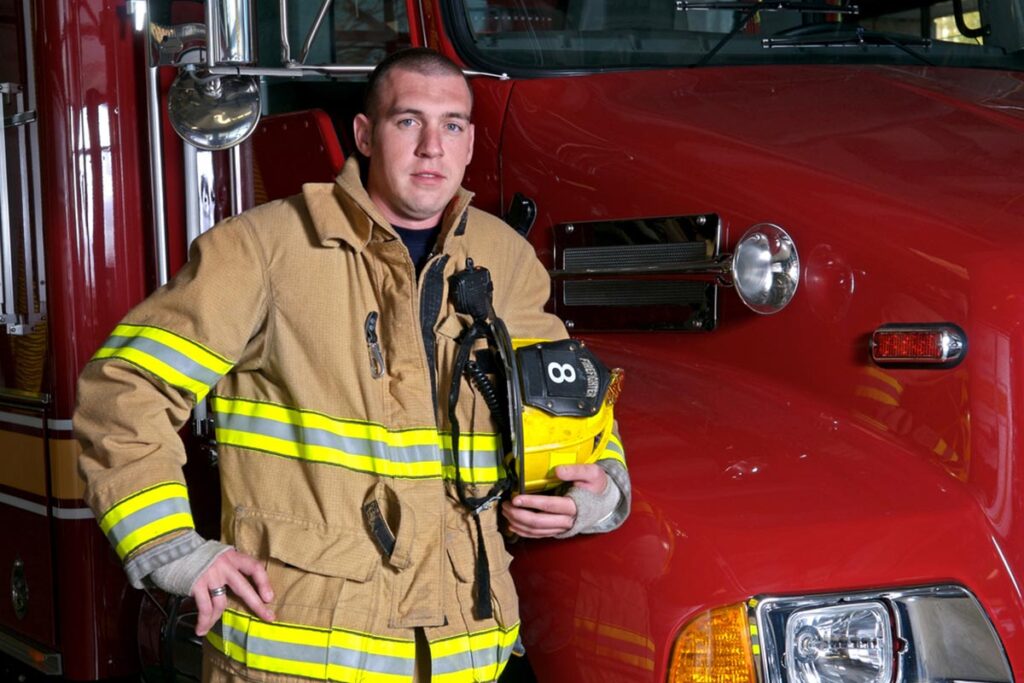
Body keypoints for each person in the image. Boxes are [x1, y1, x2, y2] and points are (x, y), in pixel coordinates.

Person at [74, 48, 630, 683]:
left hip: (465, 658)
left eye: (451, 125)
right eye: (407, 122)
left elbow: (567, 399)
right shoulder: (265, 251)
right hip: (301, 660)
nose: (431, 148)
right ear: (364, 135)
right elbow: (123, 389)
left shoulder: (503, 259)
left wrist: (599, 490)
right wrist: (170, 546)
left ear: (471, 143)